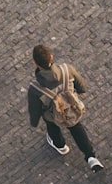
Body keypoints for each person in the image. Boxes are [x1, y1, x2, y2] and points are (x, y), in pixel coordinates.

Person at [28, 44, 104, 172]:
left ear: (35, 63)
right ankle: (91, 156)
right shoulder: (66, 69)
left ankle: (60, 145)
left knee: (51, 124)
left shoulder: (35, 88)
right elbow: (82, 87)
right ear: (51, 57)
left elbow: (35, 109)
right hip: (71, 107)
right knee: (76, 127)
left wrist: (34, 122)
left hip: (53, 114)